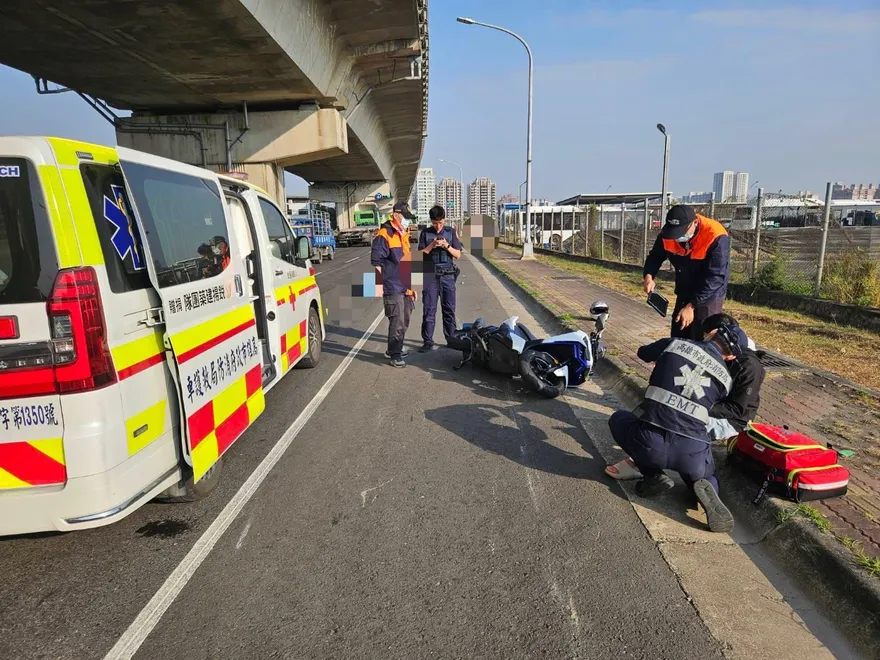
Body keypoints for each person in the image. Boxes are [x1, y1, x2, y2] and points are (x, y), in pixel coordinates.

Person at [604, 320, 742, 533]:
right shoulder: (726, 380)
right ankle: (706, 489)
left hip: (649, 443)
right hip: (691, 452)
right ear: (731, 357)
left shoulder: (675, 344)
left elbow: (643, 352)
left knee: (618, 419)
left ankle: (653, 475)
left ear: (712, 333)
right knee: (704, 474)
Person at [643, 205, 730, 340]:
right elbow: (655, 257)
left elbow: (716, 277)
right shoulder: (668, 233)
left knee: (703, 335)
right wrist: (649, 277)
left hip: (709, 294)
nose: (677, 237)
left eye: (681, 231)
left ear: (694, 222)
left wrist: (692, 306)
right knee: (679, 332)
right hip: (685, 288)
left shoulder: (715, 235)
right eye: (675, 233)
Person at [702, 313, 765, 442]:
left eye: (706, 335)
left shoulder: (748, 367)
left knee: (681, 421)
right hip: (711, 405)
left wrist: (698, 406)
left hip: (731, 422)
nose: (704, 340)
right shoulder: (718, 353)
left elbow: (735, 409)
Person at [371, 201, 418, 368]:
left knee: (405, 319)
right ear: (396, 215)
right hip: (392, 285)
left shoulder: (403, 234)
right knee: (397, 320)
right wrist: (377, 285)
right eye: (405, 217)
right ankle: (395, 354)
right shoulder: (384, 234)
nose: (407, 221)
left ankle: (394, 349)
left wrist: (412, 288)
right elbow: (376, 261)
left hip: (405, 285)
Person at [418, 205, 462, 352]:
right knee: (429, 310)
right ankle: (428, 341)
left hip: (447, 276)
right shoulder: (425, 233)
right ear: (431, 221)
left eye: (441, 223)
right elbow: (420, 256)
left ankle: (451, 339)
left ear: (444, 220)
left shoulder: (451, 232)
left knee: (449, 309)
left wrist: (446, 245)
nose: (438, 226)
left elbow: (458, 255)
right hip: (430, 276)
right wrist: (432, 244)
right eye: (435, 223)